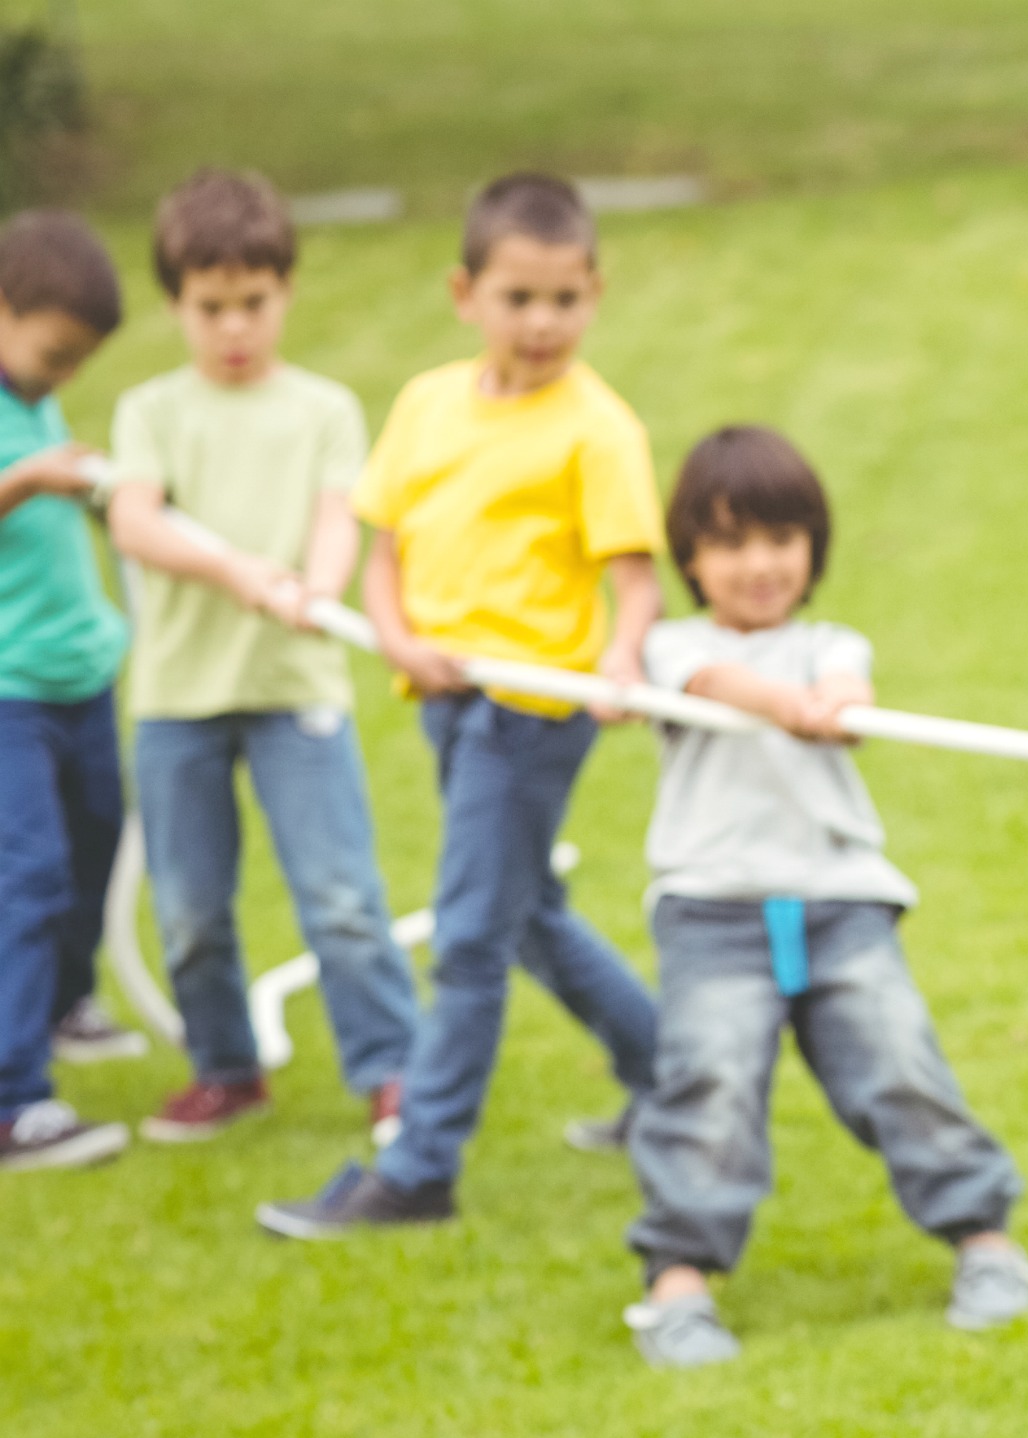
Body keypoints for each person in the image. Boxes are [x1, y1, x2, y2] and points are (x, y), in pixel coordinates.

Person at [257, 173, 663, 1238]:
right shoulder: (428, 404)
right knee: (528, 917)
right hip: (446, 701)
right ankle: (673, 1076)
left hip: (534, 713)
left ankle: (419, 1166)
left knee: (473, 937)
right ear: (465, 293)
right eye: (518, 298)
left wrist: (624, 657)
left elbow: (636, 584)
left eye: (565, 299)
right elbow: (385, 550)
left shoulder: (599, 430)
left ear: (595, 293)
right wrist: (396, 637)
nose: (542, 322)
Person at [618, 427, 1028, 1364]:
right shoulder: (672, 647)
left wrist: (836, 706)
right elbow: (714, 681)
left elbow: (848, 689)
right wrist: (783, 707)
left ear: (814, 547)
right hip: (713, 912)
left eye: (782, 539)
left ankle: (985, 1241)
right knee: (710, 1086)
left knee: (900, 1066)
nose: (760, 565)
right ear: (691, 559)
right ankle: (678, 1285)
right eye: (731, 543)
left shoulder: (830, 647)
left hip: (841, 905)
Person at [107, 168, 421, 1146]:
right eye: (212, 308)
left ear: (286, 290)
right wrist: (240, 572)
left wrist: (315, 592)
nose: (235, 327)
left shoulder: (324, 410)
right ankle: (226, 1069)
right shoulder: (151, 411)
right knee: (191, 908)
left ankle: (394, 1071)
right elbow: (134, 521)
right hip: (179, 697)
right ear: (175, 304)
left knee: (340, 894)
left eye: (254, 302)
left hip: (295, 689)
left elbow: (338, 518)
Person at [0, 211, 135, 1171]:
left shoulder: (32, 395)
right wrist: (28, 479)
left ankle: (62, 1004)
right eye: (55, 354)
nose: (64, 375)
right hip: (10, 689)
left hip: (81, 676)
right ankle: (15, 1102)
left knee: (96, 846)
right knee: (31, 872)